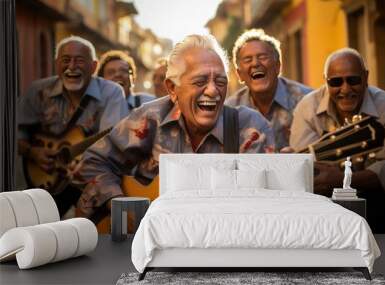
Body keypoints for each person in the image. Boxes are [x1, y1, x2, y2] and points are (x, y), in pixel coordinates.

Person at [77, 34, 276, 219]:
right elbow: (93, 161)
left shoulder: (251, 128)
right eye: (200, 81)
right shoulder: (152, 117)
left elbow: (261, 205)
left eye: (221, 81)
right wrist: (120, 207)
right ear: (172, 88)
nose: (213, 90)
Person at [290, 48, 385, 233]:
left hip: (376, 209)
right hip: (322, 210)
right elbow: (308, 171)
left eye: (353, 80)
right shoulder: (307, 108)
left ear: (366, 77)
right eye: (335, 82)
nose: (345, 89)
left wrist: (342, 179)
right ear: (325, 81)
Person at [17, 36, 129, 217]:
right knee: (36, 229)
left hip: (90, 180)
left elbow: (114, 141)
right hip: (45, 178)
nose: (71, 67)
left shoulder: (112, 93)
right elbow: (13, 134)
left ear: (93, 67)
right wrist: (33, 152)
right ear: (56, 64)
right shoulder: (36, 91)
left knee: (101, 229)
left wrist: (89, 161)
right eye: (66, 60)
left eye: (79, 61)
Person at [225, 29, 313, 151]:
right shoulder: (230, 112)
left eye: (262, 57)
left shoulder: (306, 101)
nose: (255, 63)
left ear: (278, 66)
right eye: (248, 60)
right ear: (239, 74)